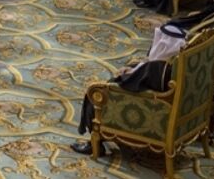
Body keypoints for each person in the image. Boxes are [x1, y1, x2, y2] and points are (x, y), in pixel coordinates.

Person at [70, 23, 189, 155]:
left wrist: (124, 75)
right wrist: (133, 70)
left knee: (95, 93)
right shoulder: (178, 63)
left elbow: (129, 84)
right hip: (173, 110)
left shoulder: (158, 67)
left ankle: (95, 144)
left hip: (144, 103)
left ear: (162, 45)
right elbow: (145, 70)